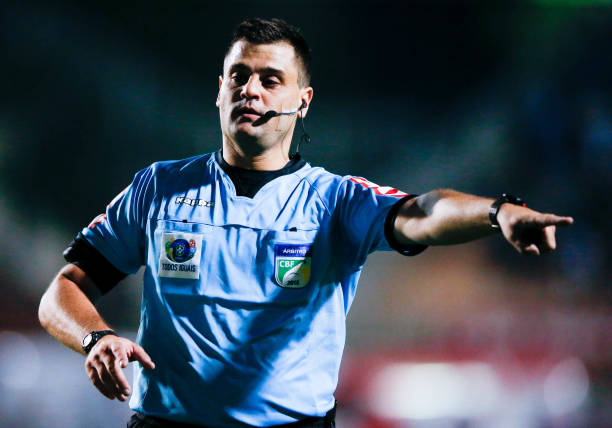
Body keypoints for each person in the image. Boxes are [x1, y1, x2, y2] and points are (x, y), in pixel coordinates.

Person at [38, 18, 573, 428]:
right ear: (220, 90)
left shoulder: (335, 201)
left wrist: (495, 211)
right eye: (239, 76)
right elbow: (62, 292)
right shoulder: (159, 188)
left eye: (272, 80)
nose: (252, 90)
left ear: (302, 102)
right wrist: (96, 339)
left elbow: (424, 211)